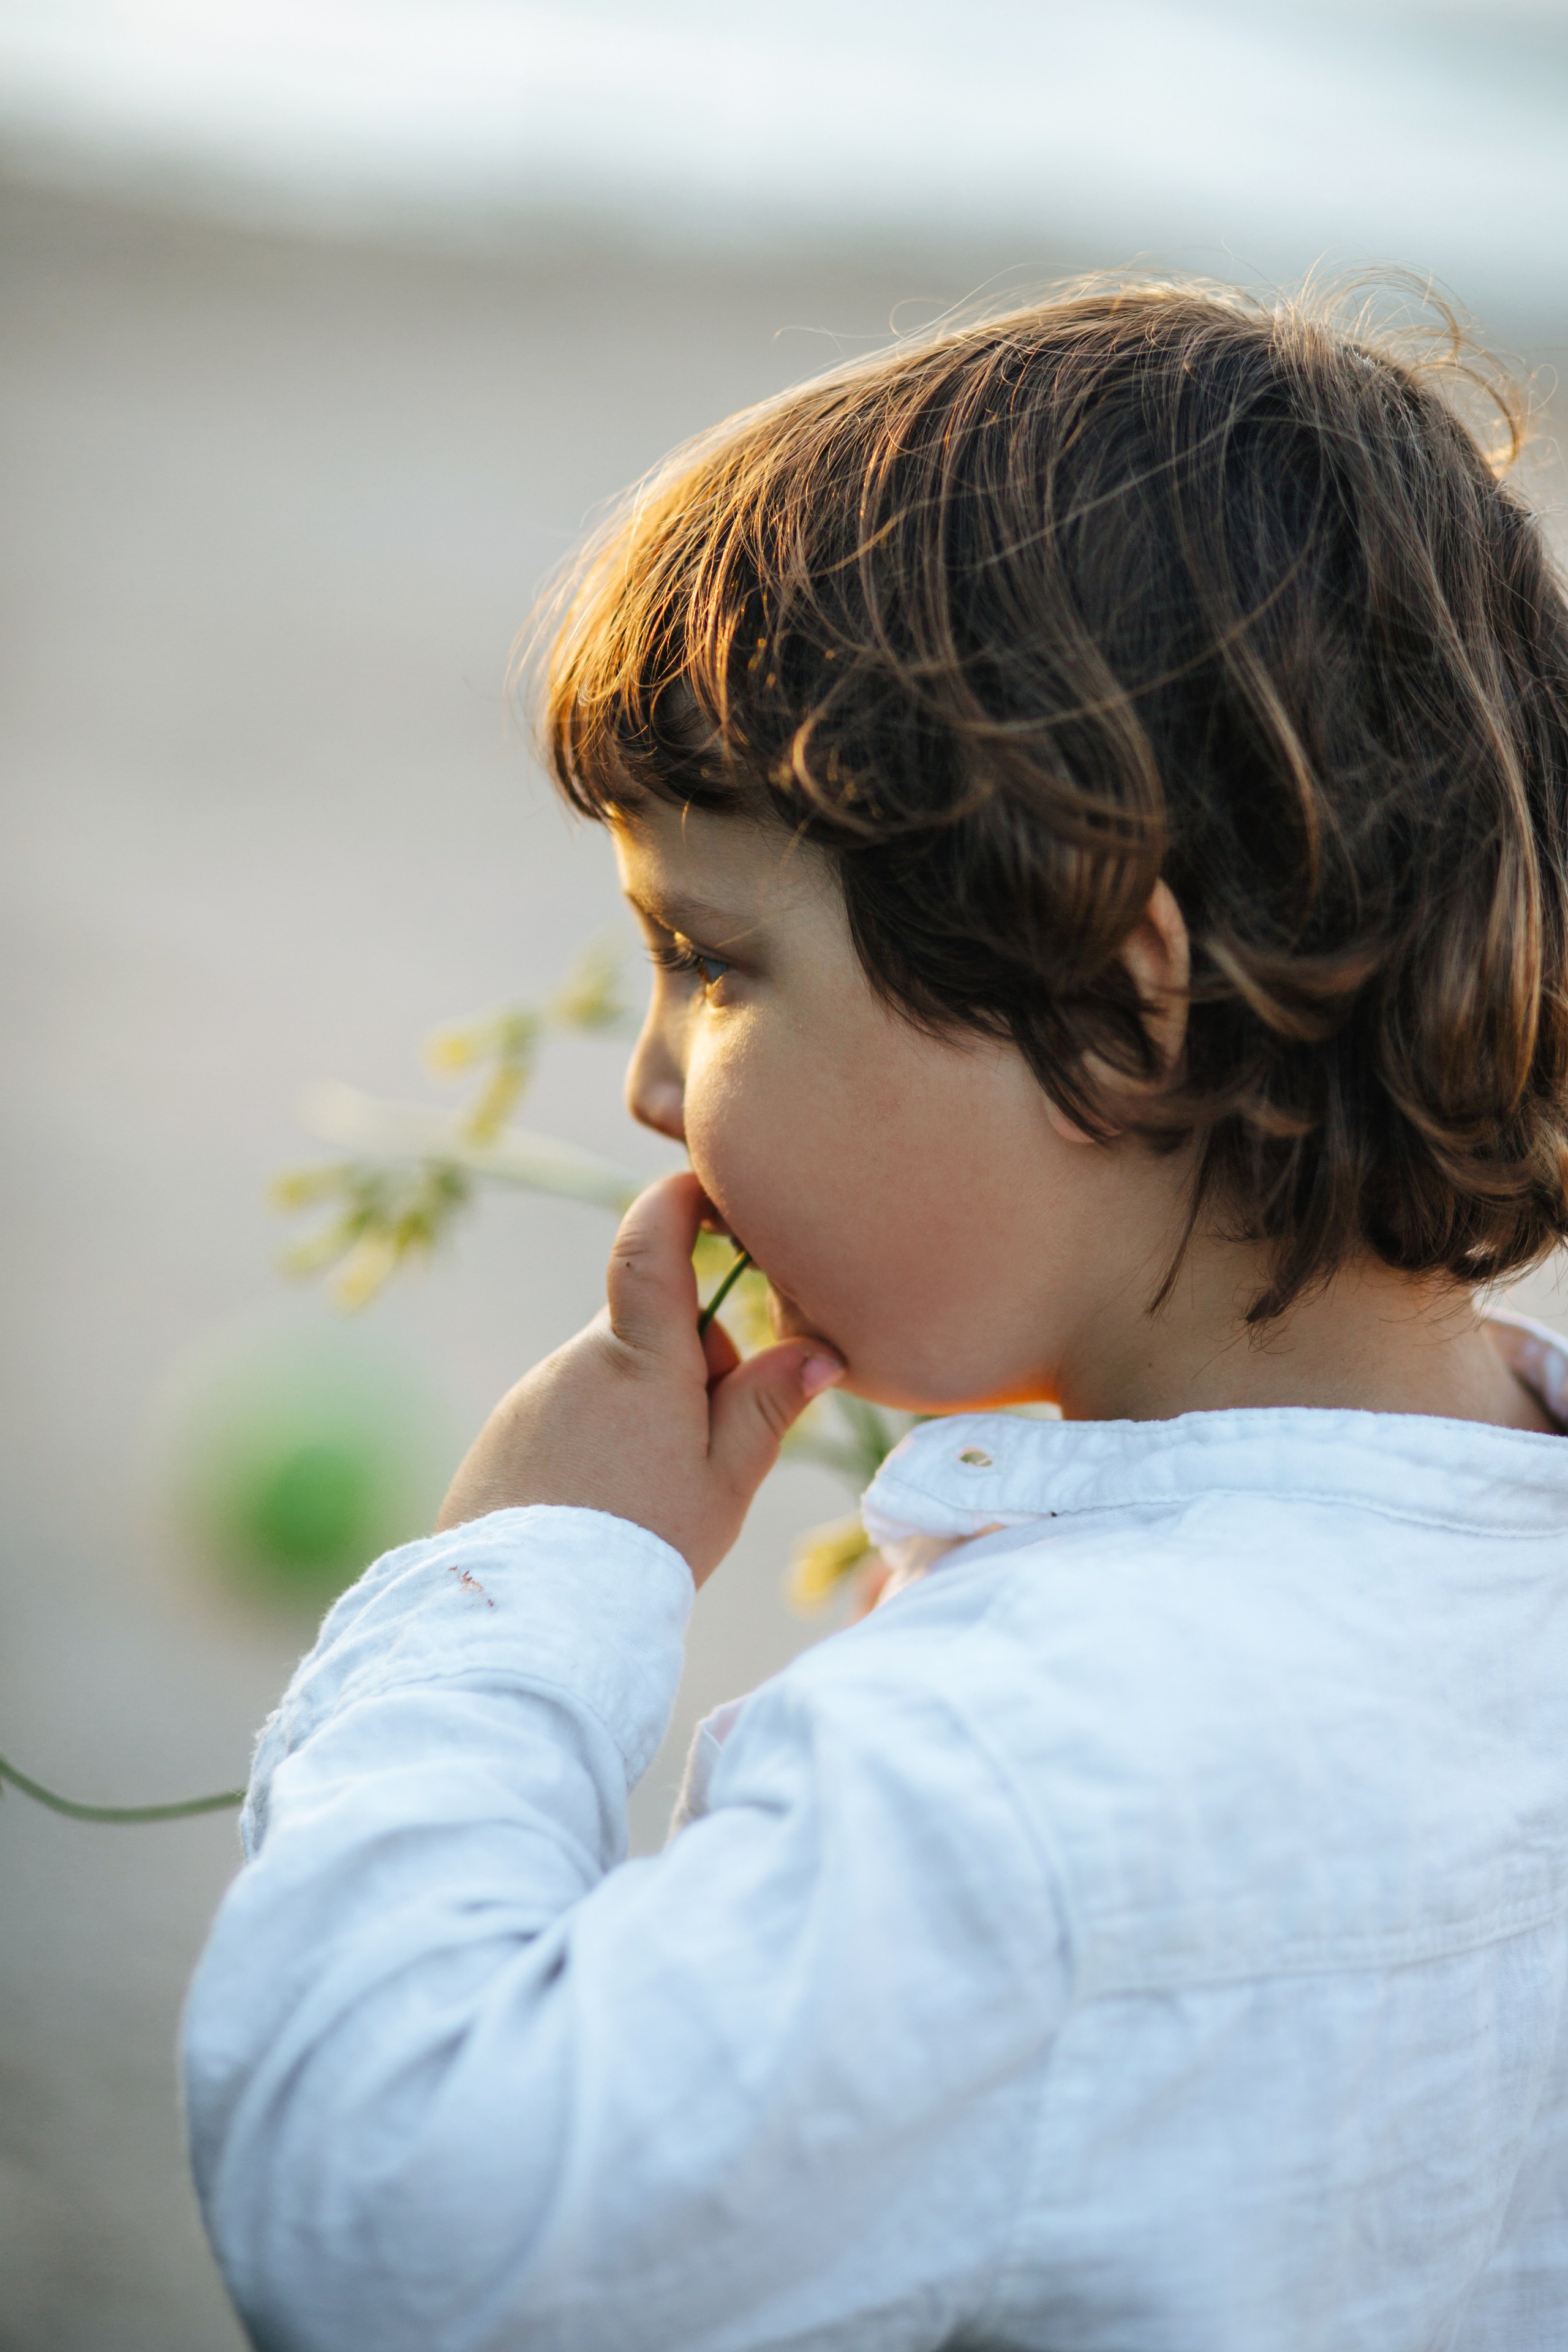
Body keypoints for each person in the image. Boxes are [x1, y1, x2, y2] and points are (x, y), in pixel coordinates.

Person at [183, 282, 1568, 2350]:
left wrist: (517, 1592)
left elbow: (397, 2220)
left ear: (1124, 990)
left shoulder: (1004, 1787)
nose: (654, 1085)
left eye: (715, 961)